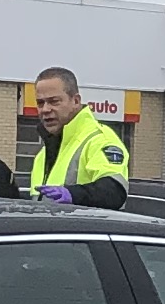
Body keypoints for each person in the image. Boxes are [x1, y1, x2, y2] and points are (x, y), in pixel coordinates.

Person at [25, 68, 131, 208]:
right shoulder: (42, 155)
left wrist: (73, 195)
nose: (45, 109)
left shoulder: (99, 139)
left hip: (88, 230)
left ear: (75, 101)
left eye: (54, 101)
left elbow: (114, 191)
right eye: (40, 103)